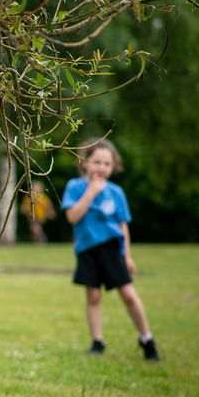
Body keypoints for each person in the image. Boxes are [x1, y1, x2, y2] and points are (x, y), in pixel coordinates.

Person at [61, 139, 158, 360]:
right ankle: (97, 341)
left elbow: (123, 226)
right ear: (85, 163)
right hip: (87, 249)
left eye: (107, 163)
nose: (101, 167)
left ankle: (147, 339)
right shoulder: (75, 187)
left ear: (113, 167)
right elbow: (72, 216)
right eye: (97, 162)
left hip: (112, 249)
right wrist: (91, 193)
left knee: (128, 295)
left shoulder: (116, 192)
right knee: (93, 296)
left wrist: (128, 256)